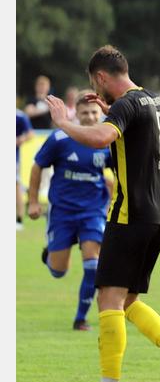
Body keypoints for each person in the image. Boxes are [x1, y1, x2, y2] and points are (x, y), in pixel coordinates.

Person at [44, 45, 160, 382]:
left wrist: (65, 123)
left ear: (100, 78)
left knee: (108, 298)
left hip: (129, 215)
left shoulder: (126, 106)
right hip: (159, 217)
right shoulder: (155, 102)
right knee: (127, 300)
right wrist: (114, 111)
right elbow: (134, 132)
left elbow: (101, 137)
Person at [28, 93, 112, 331]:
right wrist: (33, 202)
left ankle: (80, 319)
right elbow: (37, 167)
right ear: (76, 113)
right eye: (85, 113)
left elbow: (117, 175)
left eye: (94, 113)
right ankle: (51, 256)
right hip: (62, 212)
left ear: (100, 114)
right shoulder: (60, 138)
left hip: (92, 211)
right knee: (58, 271)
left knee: (92, 266)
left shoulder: (107, 140)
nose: (90, 117)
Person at [16, 109, 34, 231]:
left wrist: (18, 140)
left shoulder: (19, 116)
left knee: (15, 186)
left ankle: (19, 219)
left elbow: (30, 134)